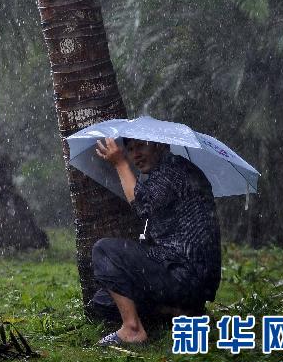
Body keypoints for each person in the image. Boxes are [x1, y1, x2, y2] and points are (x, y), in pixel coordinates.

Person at [91, 136, 221, 347]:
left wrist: (120, 163)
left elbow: (142, 206)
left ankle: (132, 329)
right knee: (103, 301)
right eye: (130, 149)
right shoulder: (167, 173)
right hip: (190, 283)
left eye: (141, 146)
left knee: (104, 250)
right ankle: (180, 312)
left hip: (185, 275)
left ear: (161, 144)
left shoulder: (172, 170)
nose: (135, 155)